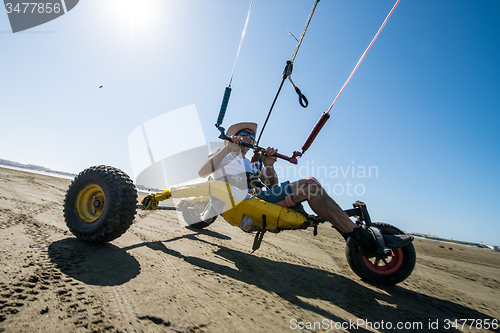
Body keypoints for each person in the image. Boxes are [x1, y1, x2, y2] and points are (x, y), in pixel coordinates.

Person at [199, 122, 413, 256]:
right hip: (239, 203)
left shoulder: (252, 164)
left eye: (252, 137)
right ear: (234, 136)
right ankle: (363, 240)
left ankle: (355, 238)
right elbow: (202, 173)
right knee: (309, 184)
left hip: (258, 200)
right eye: (244, 134)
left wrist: (269, 165)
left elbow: (273, 186)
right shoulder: (223, 153)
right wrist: (228, 147)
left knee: (313, 187)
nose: (248, 139)